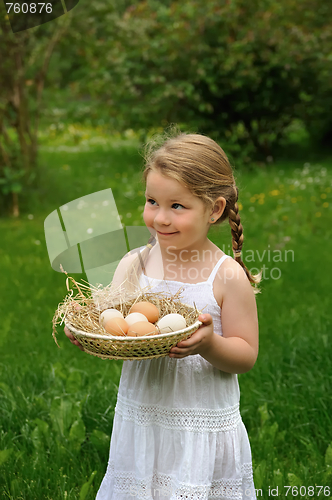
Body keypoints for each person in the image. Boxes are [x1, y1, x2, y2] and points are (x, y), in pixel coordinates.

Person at [65, 130, 261, 500]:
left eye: (177, 206)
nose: (160, 217)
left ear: (215, 210)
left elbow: (246, 354)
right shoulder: (134, 264)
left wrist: (210, 344)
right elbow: (116, 322)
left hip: (198, 421)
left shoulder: (226, 276)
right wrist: (88, 328)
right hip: (144, 416)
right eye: (152, 201)